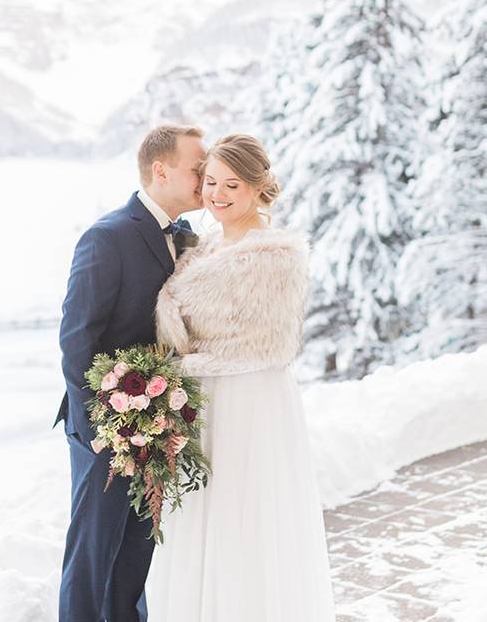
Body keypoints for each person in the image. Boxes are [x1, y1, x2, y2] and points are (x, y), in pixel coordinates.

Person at [146, 134, 336, 621]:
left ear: (258, 188)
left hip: (247, 401)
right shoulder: (206, 246)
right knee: (202, 514)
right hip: (204, 400)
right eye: (210, 181)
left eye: (232, 184)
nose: (218, 194)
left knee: (243, 516)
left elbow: (264, 345)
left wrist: (182, 367)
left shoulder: (272, 255)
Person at [53, 124, 207, 622]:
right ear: (160, 171)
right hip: (106, 427)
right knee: (94, 551)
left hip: (160, 423)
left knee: (137, 550)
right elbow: (77, 340)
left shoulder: (190, 240)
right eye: (196, 168)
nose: (206, 178)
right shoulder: (107, 237)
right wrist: (111, 424)